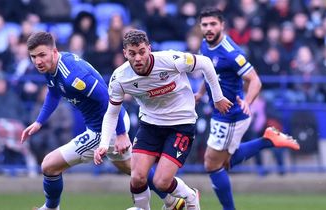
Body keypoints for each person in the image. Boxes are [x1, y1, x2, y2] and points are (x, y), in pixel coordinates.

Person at [21, 31, 185, 210]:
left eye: (42, 55)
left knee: (49, 165)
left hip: (105, 131)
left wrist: (121, 134)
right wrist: (39, 122)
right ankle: (175, 201)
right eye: (33, 57)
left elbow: (109, 99)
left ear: (54, 52)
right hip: (108, 125)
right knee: (134, 169)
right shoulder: (51, 67)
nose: (37, 61)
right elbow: (53, 92)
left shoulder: (74, 76)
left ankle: (51, 208)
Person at [94, 29, 233, 210]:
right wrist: (104, 143)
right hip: (150, 125)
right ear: (125, 53)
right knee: (137, 177)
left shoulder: (170, 60)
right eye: (132, 53)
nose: (138, 58)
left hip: (181, 125)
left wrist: (218, 98)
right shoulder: (120, 78)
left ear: (149, 49)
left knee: (161, 182)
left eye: (142, 52)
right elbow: (112, 112)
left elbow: (205, 63)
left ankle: (190, 196)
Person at [196, 7, 301, 210]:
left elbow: (255, 80)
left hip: (231, 114)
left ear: (222, 25)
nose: (208, 28)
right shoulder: (205, 45)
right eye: (205, 24)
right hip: (220, 112)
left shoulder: (231, 53)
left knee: (212, 164)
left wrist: (248, 101)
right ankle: (268, 140)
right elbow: (208, 72)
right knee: (223, 162)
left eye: (213, 24)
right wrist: (201, 93)